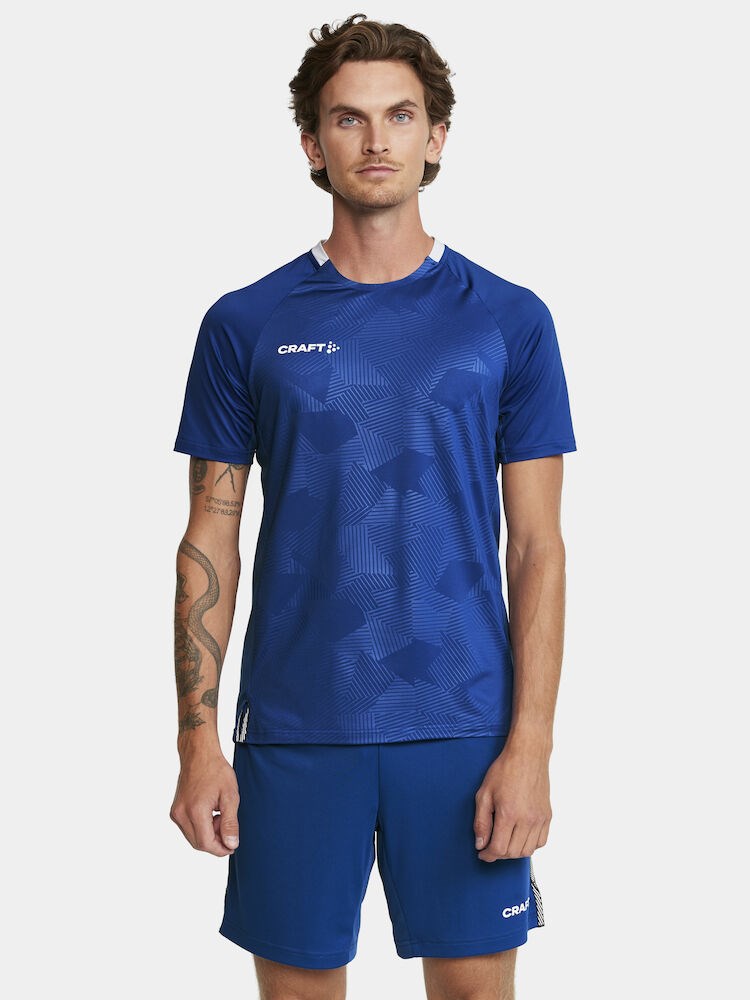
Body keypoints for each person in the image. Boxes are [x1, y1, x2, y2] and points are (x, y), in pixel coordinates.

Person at [170, 12, 577, 1000]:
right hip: (297, 725)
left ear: (437, 136)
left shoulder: (510, 320)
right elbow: (209, 534)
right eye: (348, 119)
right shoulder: (245, 323)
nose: (377, 139)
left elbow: (538, 547)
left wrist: (530, 745)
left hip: (464, 724)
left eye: (400, 115)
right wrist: (196, 740)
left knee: (475, 991)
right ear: (313, 144)